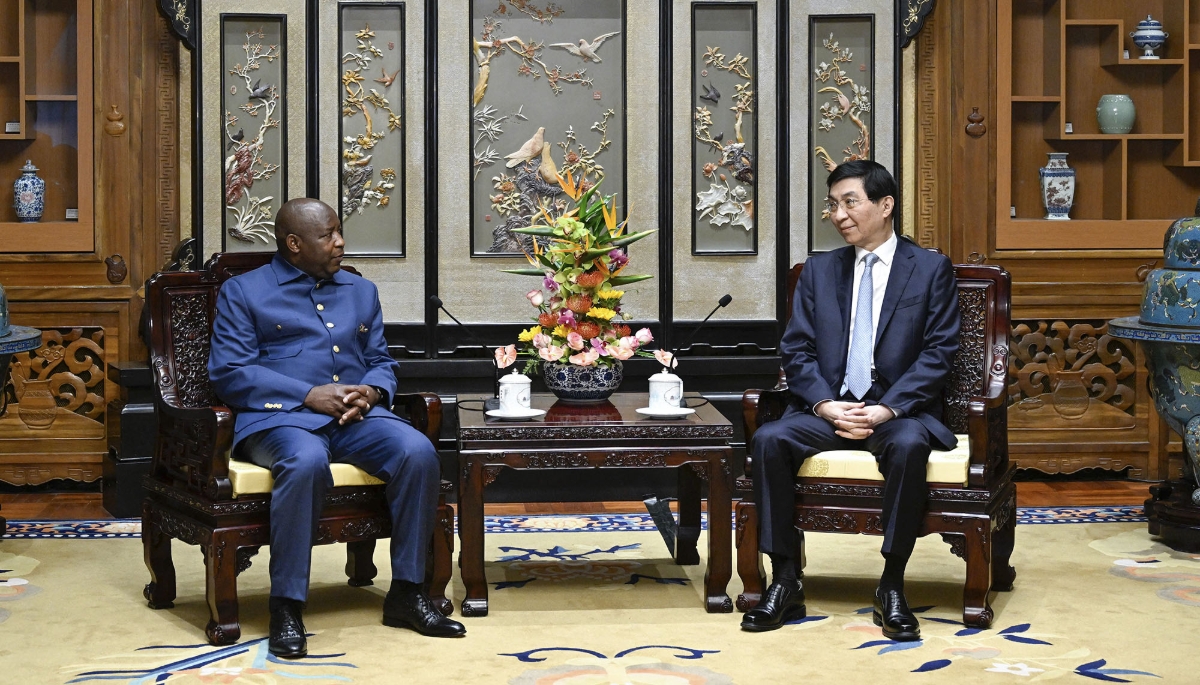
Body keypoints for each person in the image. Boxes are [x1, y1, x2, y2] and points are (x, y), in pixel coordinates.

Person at [209, 198, 465, 658]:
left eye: (338, 231)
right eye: (328, 234)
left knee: (417, 451)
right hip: (279, 419)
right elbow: (229, 371)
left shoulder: (359, 291)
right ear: (293, 244)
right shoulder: (245, 292)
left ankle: (407, 593)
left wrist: (371, 391)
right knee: (305, 460)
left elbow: (380, 361)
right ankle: (286, 605)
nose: (340, 242)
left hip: (353, 418)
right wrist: (306, 395)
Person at [740, 160, 960, 640]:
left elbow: (939, 351)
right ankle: (785, 579)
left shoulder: (927, 268)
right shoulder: (820, 271)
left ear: (886, 206)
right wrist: (823, 404)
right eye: (833, 204)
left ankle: (892, 584)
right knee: (769, 439)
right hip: (830, 408)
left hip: (897, 411)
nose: (838, 214)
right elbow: (795, 349)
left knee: (907, 446)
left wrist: (888, 408)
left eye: (849, 202)